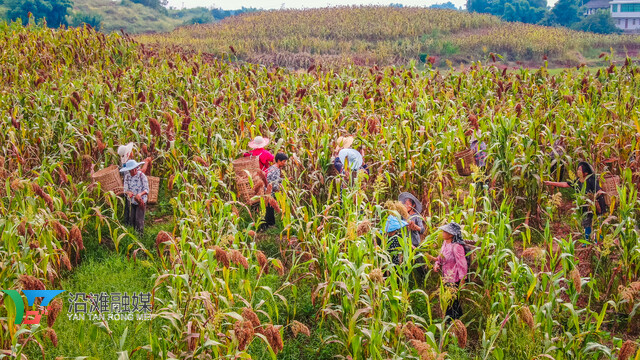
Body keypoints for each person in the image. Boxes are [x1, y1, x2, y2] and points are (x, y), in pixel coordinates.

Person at [544, 161, 608, 243]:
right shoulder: (578, 181)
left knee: (597, 222)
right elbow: (566, 184)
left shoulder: (591, 179)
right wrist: (550, 183)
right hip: (585, 205)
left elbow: (599, 190)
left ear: (585, 172)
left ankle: (598, 240)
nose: (578, 171)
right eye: (578, 169)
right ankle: (587, 241)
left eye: (579, 170)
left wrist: (594, 198)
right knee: (586, 222)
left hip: (596, 205)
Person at [426, 222, 468, 320]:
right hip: (446, 277)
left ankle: (453, 321)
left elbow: (462, 265)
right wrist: (436, 264)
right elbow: (441, 257)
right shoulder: (445, 243)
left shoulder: (457, 247)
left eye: (445, 231)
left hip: (453, 279)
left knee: (452, 301)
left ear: (451, 234)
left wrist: (462, 280)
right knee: (450, 301)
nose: (443, 233)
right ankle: (454, 320)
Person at [120, 159, 149, 236]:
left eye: (134, 169)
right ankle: (133, 234)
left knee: (139, 219)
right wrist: (128, 192)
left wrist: (140, 194)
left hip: (141, 201)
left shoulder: (141, 176)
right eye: (130, 170)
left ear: (136, 168)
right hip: (132, 201)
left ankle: (140, 236)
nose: (132, 171)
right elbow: (125, 189)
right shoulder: (127, 176)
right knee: (132, 218)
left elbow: (146, 190)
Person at [262, 153, 288, 230]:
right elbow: (274, 181)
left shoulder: (271, 167)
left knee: (269, 208)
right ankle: (269, 225)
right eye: (284, 161)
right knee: (270, 208)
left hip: (266, 190)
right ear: (279, 161)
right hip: (271, 192)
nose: (285, 163)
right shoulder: (276, 170)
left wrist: (284, 180)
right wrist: (277, 190)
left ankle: (267, 224)